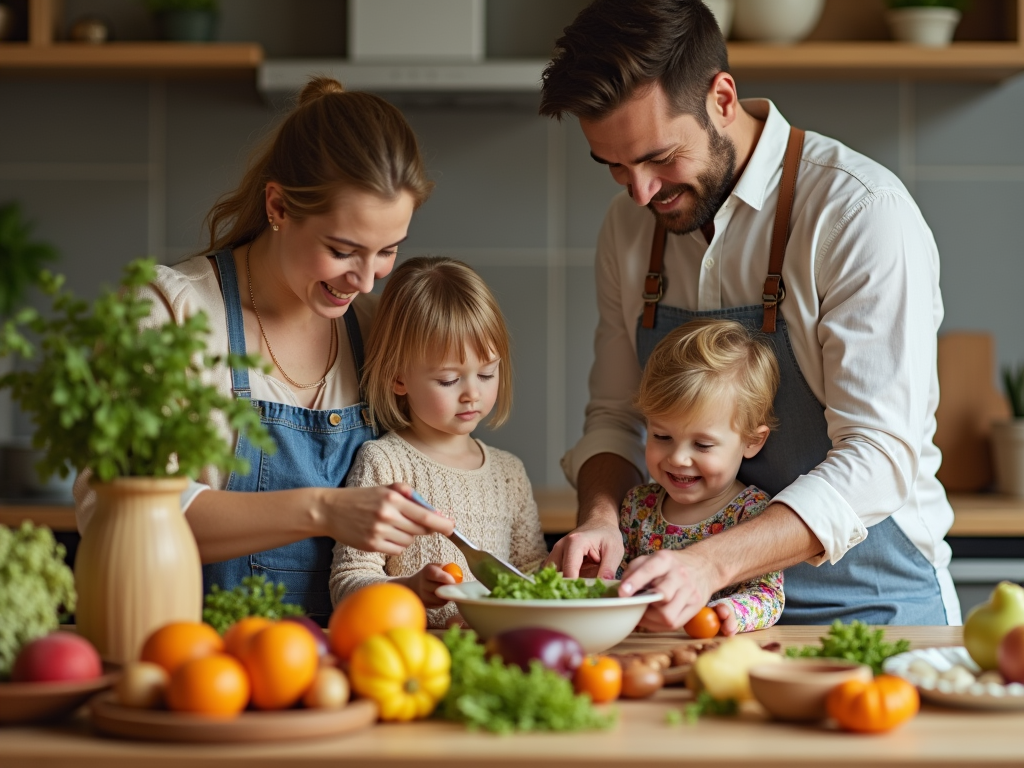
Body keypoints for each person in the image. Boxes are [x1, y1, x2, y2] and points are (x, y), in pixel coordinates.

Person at [539, 0, 958, 629]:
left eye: (658, 157)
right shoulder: (629, 227)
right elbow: (613, 418)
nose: (641, 192)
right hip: (700, 620)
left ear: (722, 98)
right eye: (615, 168)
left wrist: (711, 563)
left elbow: (879, 454)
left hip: (870, 610)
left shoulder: (858, 214)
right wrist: (601, 517)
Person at [74, 77, 455, 626]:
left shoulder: (375, 330)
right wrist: (322, 510)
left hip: (347, 671)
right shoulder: (170, 315)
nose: (366, 281)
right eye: (342, 250)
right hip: (197, 663)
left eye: (387, 252)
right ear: (278, 205)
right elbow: (118, 514)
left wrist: (409, 587)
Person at [330, 256, 548, 628]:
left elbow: (529, 575)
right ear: (399, 377)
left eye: (486, 373)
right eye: (449, 380)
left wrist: (564, 573)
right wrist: (409, 589)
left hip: (490, 656)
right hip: (414, 658)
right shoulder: (385, 463)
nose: (471, 394)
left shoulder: (510, 473)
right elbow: (347, 583)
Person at [620, 318, 783, 636]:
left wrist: (727, 612)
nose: (678, 458)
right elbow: (617, 577)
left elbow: (769, 597)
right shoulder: (637, 506)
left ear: (751, 441)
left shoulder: (752, 512)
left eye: (703, 444)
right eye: (661, 436)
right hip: (641, 650)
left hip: (714, 652)